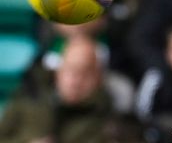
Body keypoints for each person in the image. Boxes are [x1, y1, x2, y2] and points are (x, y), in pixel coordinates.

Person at [0, 36, 143, 143]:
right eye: (70, 70)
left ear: (98, 78)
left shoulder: (111, 120)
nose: (75, 80)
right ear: (58, 72)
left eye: (85, 73)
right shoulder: (29, 97)